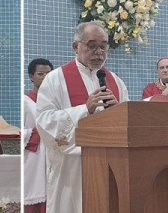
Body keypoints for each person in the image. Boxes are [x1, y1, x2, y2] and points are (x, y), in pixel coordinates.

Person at [36, 21, 129, 213]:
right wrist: (84, 110)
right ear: (76, 46)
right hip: (71, 173)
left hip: (110, 169)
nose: (98, 52)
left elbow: (127, 124)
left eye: (103, 46)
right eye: (92, 45)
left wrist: (119, 111)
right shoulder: (55, 79)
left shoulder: (116, 82)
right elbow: (45, 123)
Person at [24, 58, 53, 213]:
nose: (45, 77)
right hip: (34, 160)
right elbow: (18, 133)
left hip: (54, 159)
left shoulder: (56, 102)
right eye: (41, 74)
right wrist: (38, 132)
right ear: (31, 76)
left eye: (49, 74)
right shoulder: (25, 102)